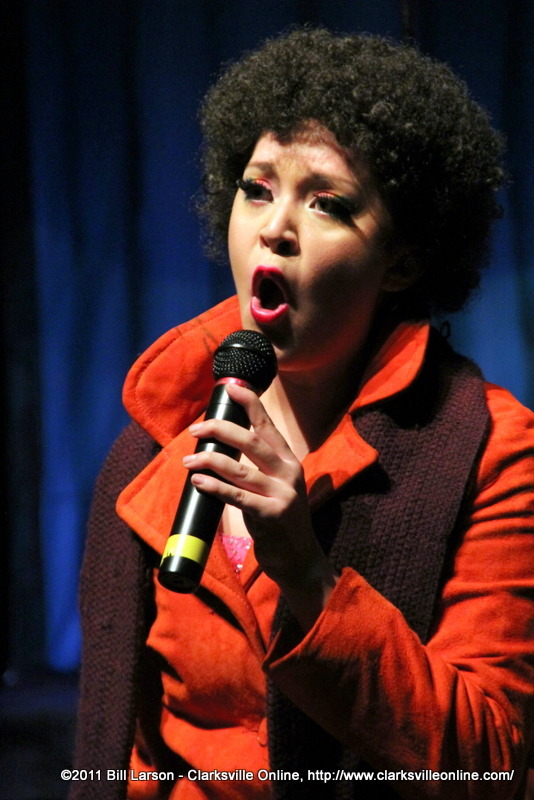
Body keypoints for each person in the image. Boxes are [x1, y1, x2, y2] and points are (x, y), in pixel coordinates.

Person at [70, 27, 534, 800]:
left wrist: (310, 581)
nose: (274, 228)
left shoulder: (492, 450)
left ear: (403, 259)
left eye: (327, 204)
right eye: (257, 189)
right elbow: (134, 753)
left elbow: (491, 762)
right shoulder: (157, 439)